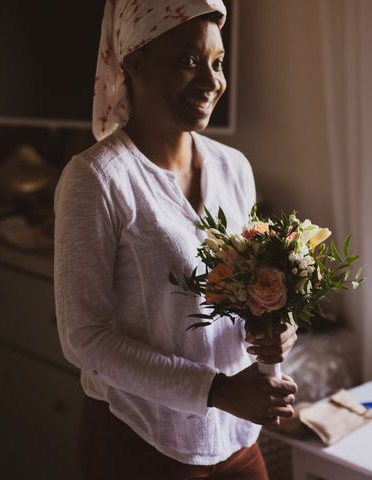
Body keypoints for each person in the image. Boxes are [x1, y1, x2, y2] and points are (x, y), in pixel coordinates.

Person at [53, 1, 298, 478]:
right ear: (134, 62)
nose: (211, 82)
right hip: (141, 439)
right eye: (187, 60)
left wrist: (274, 324)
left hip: (235, 434)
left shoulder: (234, 168)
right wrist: (217, 390)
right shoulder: (96, 179)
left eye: (217, 62)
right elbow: (83, 338)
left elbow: (243, 289)